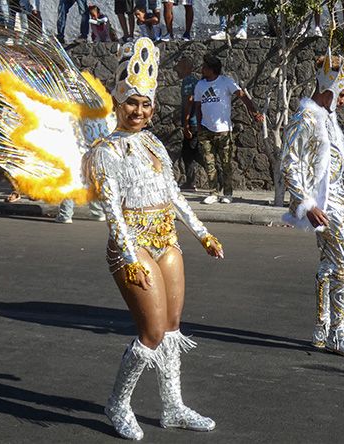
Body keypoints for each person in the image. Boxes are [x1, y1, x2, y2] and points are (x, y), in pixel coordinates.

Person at [83, 37, 223, 440]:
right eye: (132, 103)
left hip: (167, 238)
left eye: (145, 104)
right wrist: (129, 258)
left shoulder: (154, 143)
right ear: (117, 102)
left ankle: (172, 406)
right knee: (152, 332)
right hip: (132, 244)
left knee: (173, 328)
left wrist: (202, 234)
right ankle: (118, 403)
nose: (139, 111)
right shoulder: (105, 151)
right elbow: (112, 213)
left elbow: (174, 196)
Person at [281, 50, 344, 359]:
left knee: (330, 264)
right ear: (328, 89)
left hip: (335, 202)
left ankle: (321, 327)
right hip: (324, 206)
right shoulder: (306, 117)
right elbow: (290, 163)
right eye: (342, 95)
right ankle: (337, 333)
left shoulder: (327, 116)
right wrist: (306, 203)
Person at [187, 54, 263, 205]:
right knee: (210, 164)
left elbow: (242, 96)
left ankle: (228, 193)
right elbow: (197, 105)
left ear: (212, 69)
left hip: (223, 130)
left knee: (226, 163)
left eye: (204, 67)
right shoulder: (200, 85)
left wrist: (254, 112)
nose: (201, 69)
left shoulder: (225, 82)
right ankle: (213, 193)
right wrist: (199, 125)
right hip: (205, 130)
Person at [176, 57, 199, 190]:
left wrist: (186, 124)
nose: (177, 71)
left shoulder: (188, 82)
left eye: (179, 67)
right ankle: (190, 182)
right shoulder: (195, 81)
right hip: (195, 122)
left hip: (191, 123)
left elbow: (187, 104)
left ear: (186, 68)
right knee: (188, 153)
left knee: (195, 153)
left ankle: (218, 177)